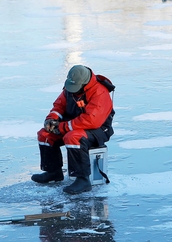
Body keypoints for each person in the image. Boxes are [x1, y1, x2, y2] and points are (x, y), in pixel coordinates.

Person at [31, 65, 115, 195]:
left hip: (98, 129)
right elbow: (59, 105)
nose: (72, 90)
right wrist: (51, 119)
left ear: (84, 84)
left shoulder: (99, 92)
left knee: (73, 137)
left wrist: (62, 127)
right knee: (44, 135)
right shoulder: (70, 88)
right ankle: (53, 172)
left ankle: (83, 179)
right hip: (72, 125)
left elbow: (92, 121)